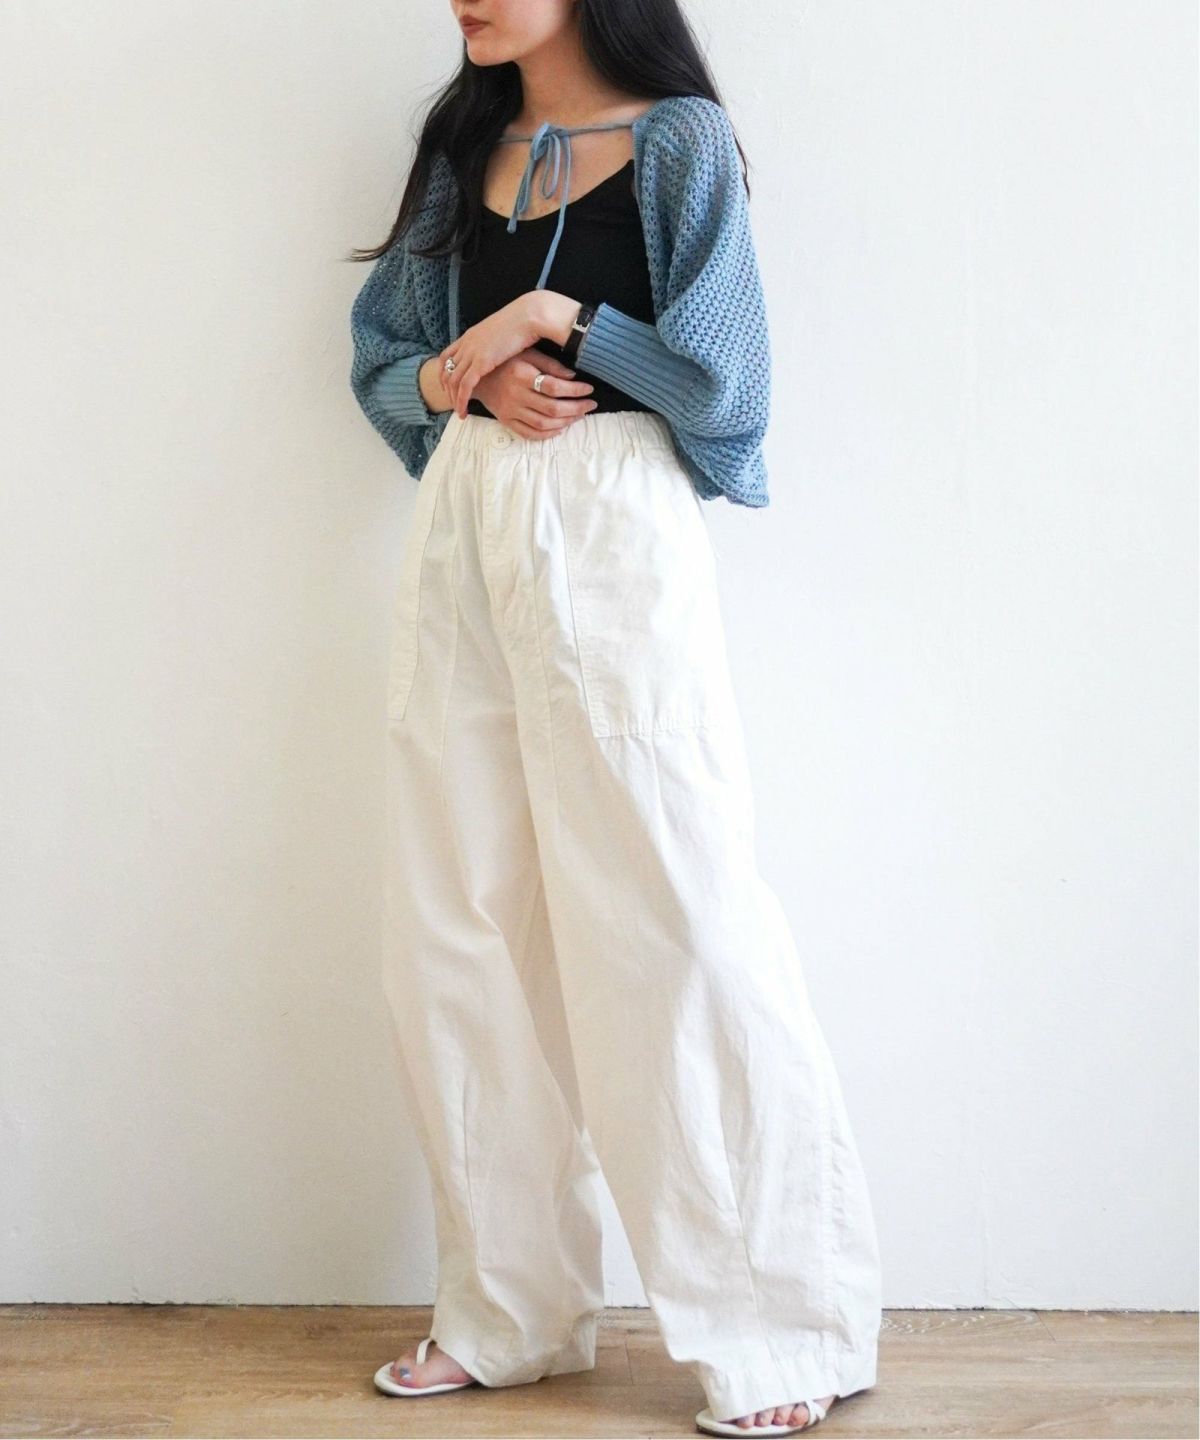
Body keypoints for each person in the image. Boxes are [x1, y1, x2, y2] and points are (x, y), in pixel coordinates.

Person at [346, 2, 883, 1434]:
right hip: (466, 525)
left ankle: (783, 1330)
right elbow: (383, 364)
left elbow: (725, 387)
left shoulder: (679, 145)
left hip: (614, 530)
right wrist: (467, 373)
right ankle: (507, 1309)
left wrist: (558, 319)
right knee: (457, 919)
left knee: (674, 909)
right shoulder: (463, 147)